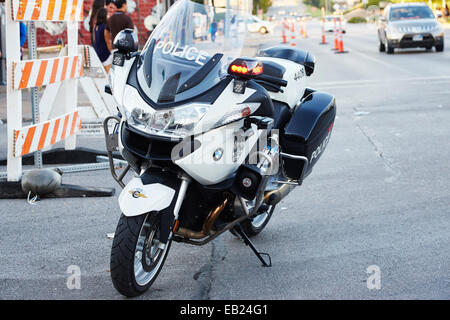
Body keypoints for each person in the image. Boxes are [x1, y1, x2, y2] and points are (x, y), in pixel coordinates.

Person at [92, 8, 112, 73]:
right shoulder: (105, 26)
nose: (108, 16)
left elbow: (94, 40)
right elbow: (107, 40)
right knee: (108, 74)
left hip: (98, 53)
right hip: (105, 54)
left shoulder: (95, 27)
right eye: (107, 14)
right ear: (104, 16)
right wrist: (111, 52)